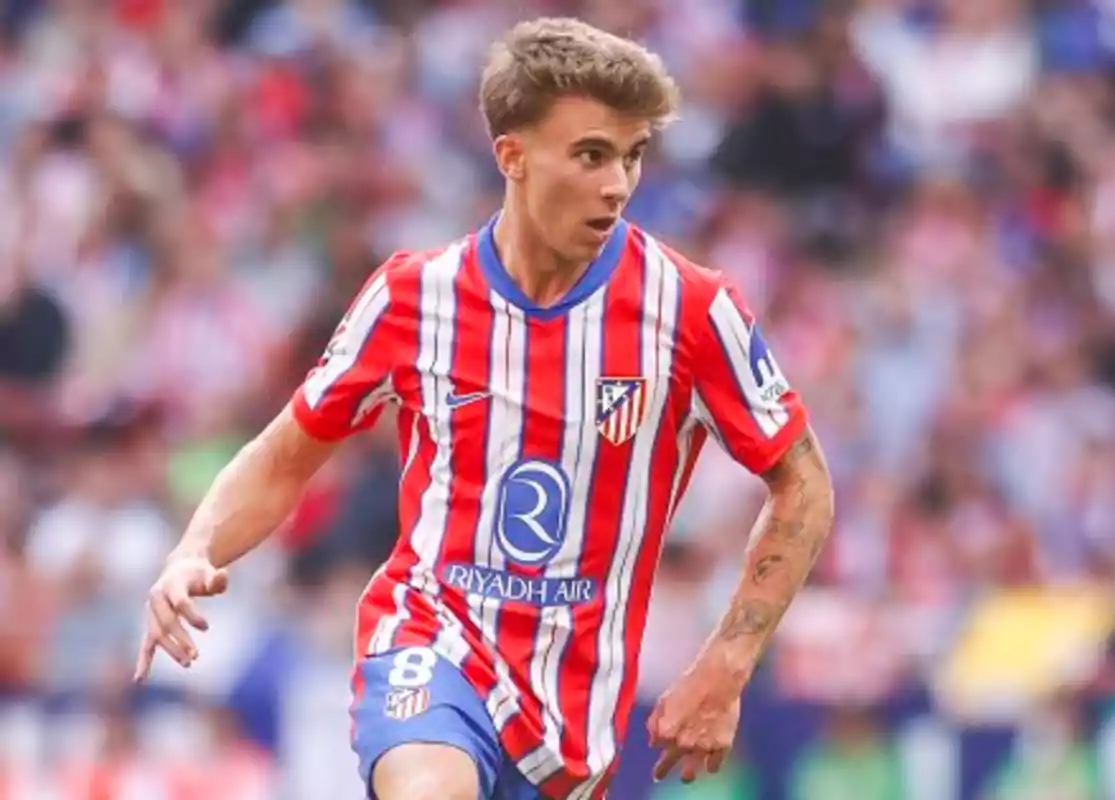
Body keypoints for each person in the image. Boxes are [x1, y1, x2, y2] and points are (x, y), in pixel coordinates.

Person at [133, 16, 836, 800]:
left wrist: (727, 663)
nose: (618, 184)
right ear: (513, 156)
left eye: (633, 157)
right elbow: (286, 452)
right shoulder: (414, 296)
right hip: (430, 642)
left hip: (572, 716)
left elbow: (804, 486)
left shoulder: (692, 310)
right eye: (592, 155)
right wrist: (194, 548)